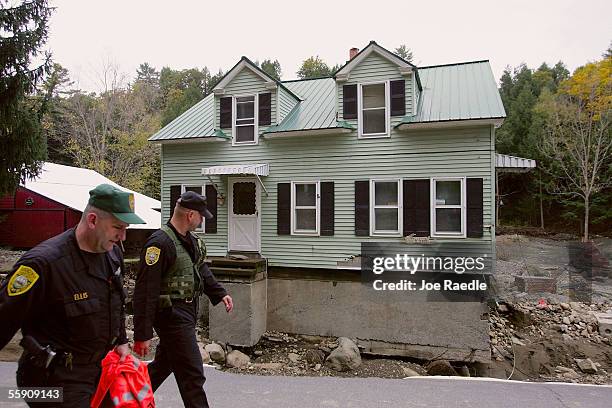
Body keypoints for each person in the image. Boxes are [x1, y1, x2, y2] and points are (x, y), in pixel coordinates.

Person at [0, 183, 145, 407]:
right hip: (50, 379)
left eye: (125, 228)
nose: (123, 236)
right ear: (93, 220)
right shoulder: (42, 264)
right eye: (118, 227)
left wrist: (121, 342)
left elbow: (115, 301)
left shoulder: (112, 254)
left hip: (97, 371)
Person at [133, 191, 233, 408]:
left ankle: (127, 401)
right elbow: (145, 290)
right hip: (171, 314)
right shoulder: (159, 243)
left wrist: (219, 293)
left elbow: (200, 270)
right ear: (190, 215)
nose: (202, 219)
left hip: (187, 312)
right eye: (201, 216)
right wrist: (142, 333)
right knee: (192, 373)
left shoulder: (191, 241)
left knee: (162, 366)